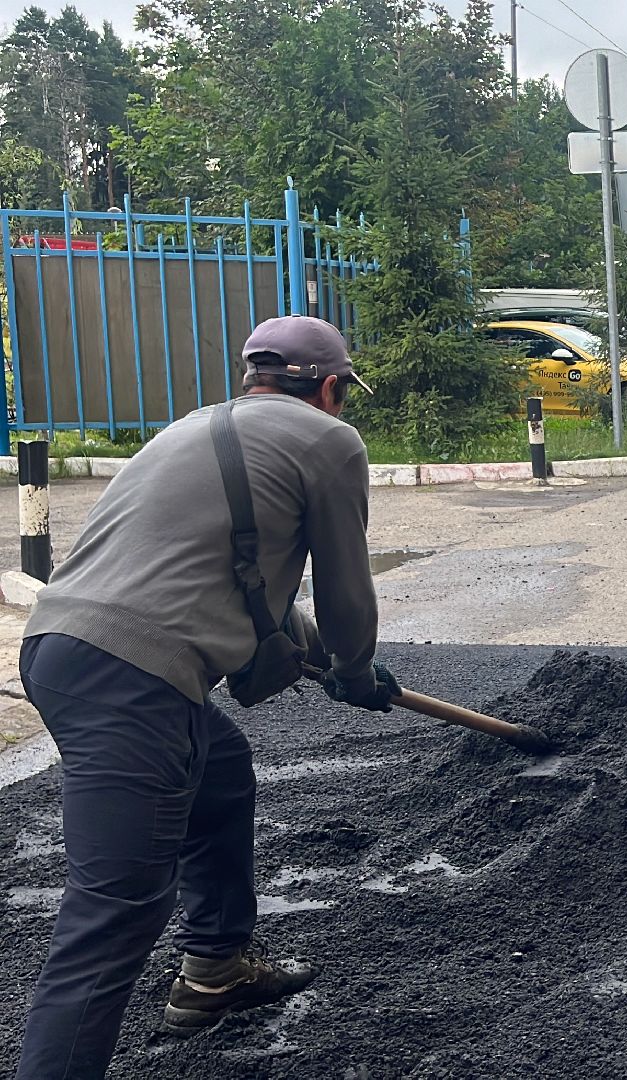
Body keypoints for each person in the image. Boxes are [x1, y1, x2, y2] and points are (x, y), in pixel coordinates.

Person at [13, 315, 401, 1080]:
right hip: (134, 679)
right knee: (115, 913)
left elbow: (254, 593)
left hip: (58, 648)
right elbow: (347, 590)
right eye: (342, 393)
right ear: (329, 387)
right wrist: (356, 672)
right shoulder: (328, 441)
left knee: (217, 771)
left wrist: (329, 659)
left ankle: (215, 971)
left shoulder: (195, 429)